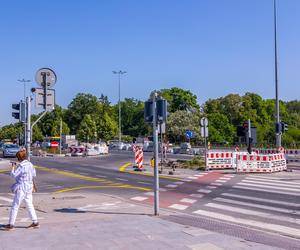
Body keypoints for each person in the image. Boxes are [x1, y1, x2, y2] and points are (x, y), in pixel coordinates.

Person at [3, 149, 39, 231]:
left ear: (19, 158)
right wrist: (33, 185)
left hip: (21, 187)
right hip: (29, 186)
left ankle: (11, 224)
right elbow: (33, 175)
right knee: (29, 204)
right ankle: (35, 222)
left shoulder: (21, 166)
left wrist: (12, 167)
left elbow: (13, 175)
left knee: (15, 205)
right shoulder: (30, 164)